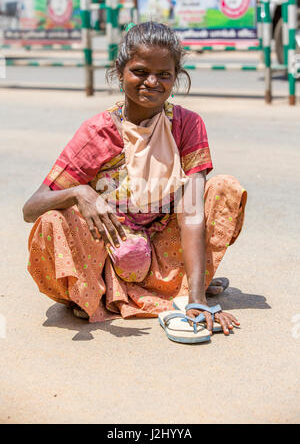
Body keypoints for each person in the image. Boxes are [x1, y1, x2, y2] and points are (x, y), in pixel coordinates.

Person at [23, 22, 246, 340]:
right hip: (110, 253)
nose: (152, 82)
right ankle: (108, 291)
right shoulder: (98, 132)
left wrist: (198, 300)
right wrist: (79, 193)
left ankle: (186, 289)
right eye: (140, 71)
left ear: (175, 77)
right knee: (53, 220)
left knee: (223, 188)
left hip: (161, 245)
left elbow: (193, 210)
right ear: (120, 71)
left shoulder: (187, 125)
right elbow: (31, 208)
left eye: (164, 74)